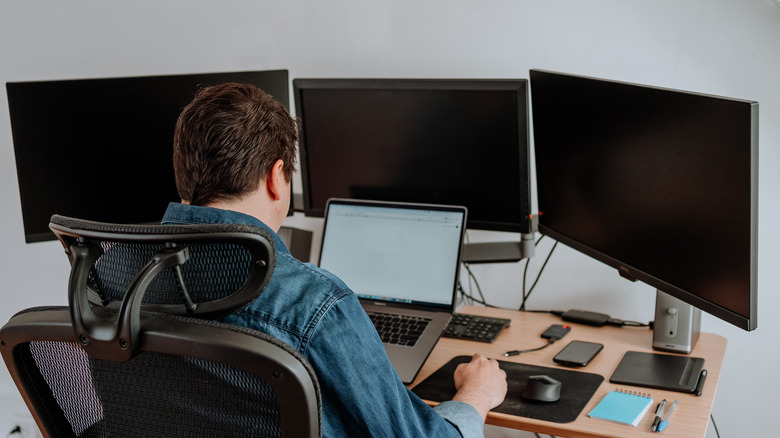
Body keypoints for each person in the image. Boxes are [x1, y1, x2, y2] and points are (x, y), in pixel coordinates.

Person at [164, 82, 507, 437]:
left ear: (183, 174)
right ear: (275, 178)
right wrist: (477, 394)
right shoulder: (312, 302)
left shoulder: (112, 276)